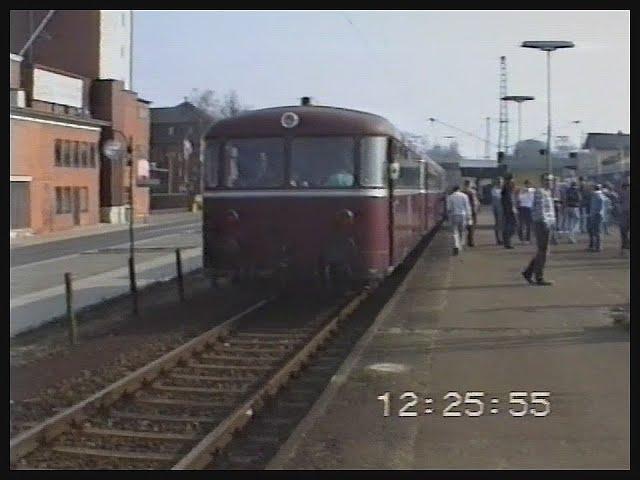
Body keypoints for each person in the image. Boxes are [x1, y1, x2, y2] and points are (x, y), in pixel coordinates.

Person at [522, 174, 556, 286]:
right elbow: (540, 208)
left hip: (547, 222)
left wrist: (552, 221)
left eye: (551, 180)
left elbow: (549, 209)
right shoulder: (540, 192)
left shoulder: (548, 192)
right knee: (543, 251)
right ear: (542, 181)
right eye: (547, 180)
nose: (549, 182)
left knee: (543, 250)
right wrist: (545, 222)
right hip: (542, 223)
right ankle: (539, 277)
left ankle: (529, 272)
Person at [446, 185, 472, 256]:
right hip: (463, 215)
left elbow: (449, 208)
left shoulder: (450, 197)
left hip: (454, 215)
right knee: (462, 231)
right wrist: (469, 216)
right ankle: (460, 245)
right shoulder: (464, 196)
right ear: (459, 189)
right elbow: (467, 207)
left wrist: (448, 216)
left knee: (455, 232)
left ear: (453, 189)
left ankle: (456, 245)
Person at [588, 184, 606, 252]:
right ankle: (598, 246)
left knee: (596, 231)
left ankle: (598, 247)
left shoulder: (595, 196)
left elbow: (596, 207)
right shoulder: (600, 195)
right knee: (597, 231)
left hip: (596, 215)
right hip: (598, 215)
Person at [501, 175, 518, 249]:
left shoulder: (509, 189)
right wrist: (512, 209)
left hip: (510, 210)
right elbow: (508, 201)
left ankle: (507, 242)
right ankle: (507, 242)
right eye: (512, 181)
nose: (513, 182)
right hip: (509, 211)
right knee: (511, 226)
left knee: (511, 226)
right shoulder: (507, 189)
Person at [461, 180, 479, 247]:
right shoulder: (472, 192)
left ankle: (462, 242)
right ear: (469, 185)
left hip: (463, 211)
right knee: (471, 227)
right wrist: (475, 210)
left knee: (464, 227)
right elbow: (474, 202)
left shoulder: (461, 192)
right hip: (471, 211)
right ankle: (470, 242)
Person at [491, 177, 504, 245]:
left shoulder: (503, 189)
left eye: (501, 182)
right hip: (498, 209)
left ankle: (502, 238)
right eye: (499, 182)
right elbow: (496, 200)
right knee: (498, 224)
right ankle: (499, 239)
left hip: (503, 209)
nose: (500, 183)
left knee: (503, 225)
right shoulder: (494, 189)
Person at [618, 181, 630, 254]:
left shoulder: (621, 193)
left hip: (624, 213)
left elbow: (618, 203)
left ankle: (624, 247)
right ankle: (626, 246)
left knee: (623, 231)